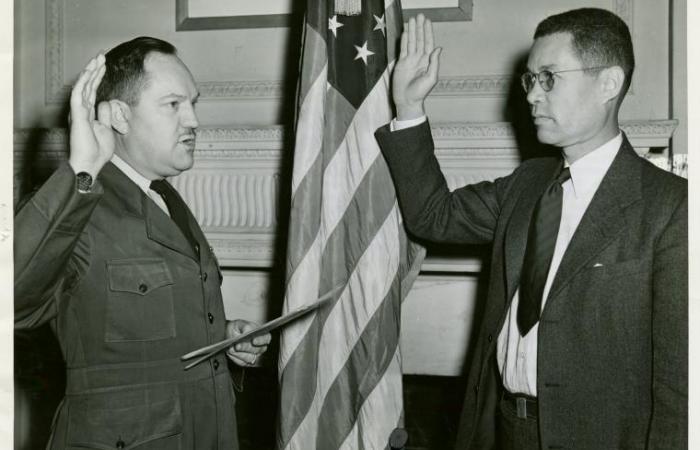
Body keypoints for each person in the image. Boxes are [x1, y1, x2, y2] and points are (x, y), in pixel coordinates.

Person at [375, 8, 687, 450]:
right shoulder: (528, 183)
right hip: (501, 430)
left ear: (609, 84)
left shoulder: (671, 207)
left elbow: (680, 387)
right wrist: (408, 106)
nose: (532, 96)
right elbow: (432, 215)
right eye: (529, 80)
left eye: (549, 78)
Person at [14, 37, 271, 449]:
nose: (193, 120)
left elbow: (135, 326)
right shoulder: (78, 199)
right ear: (120, 115)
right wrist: (80, 168)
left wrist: (222, 338)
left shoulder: (164, 198)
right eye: (173, 105)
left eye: (193, 103)